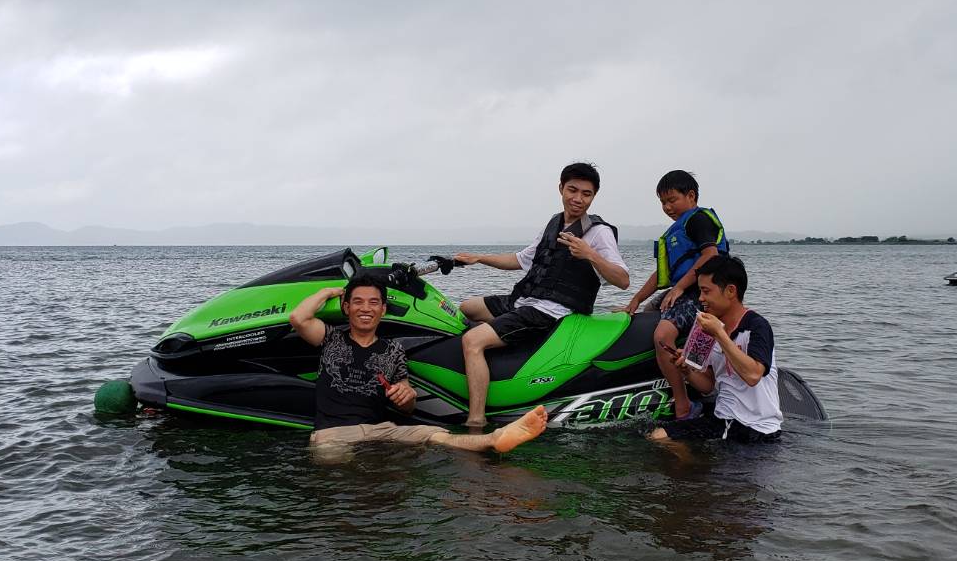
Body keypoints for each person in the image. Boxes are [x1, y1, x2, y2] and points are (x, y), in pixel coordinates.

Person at [289, 271, 548, 460]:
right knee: (339, 472)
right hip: (334, 435)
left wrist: (406, 396)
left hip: (382, 432)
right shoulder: (331, 337)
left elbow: (408, 402)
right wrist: (329, 291)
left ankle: (494, 438)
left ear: (383, 309)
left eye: (373, 302)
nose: (365, 308)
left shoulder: (393, 350)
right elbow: (298, 318)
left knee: (435, 434)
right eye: (357, 302)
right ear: (346, 307)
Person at [453, 162, 630, 428]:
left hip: (551, 312)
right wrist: (479, 258)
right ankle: (495, 362)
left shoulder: (598, 232)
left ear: (594, 196)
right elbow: (520, 259)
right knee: (466, 307)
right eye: (573, 190)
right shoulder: (554, 223)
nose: (578, 199)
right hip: (525, 300)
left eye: (586, 193)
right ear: (561, 188)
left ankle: (476, 420)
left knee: (472, 341)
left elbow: (623, 280)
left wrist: (590, 255)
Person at [623, 169, 730, 418]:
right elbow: (660, 276)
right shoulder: (674, 232)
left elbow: (710, 255)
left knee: (662, 335)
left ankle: (683, 403)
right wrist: (635, 301)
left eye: (672, 200)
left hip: (701, 293)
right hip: (681, 290)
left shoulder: (698, 220)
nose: (667, 207)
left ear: (691, 196)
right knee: (638, 323)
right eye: (662, 202)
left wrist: (680, 287)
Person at [648, 254, 781, 445]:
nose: (701, 298)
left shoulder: (757, 326)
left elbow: (753, 375)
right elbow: (707, 385)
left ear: (730, 291)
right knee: (659, 436)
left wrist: (719, 333)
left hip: (757, 428)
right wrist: (686, 370)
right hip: (722, 419)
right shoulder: (704, 329)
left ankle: (695, 471)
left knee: (665, 440)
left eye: (706, 291)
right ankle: (696, 471)